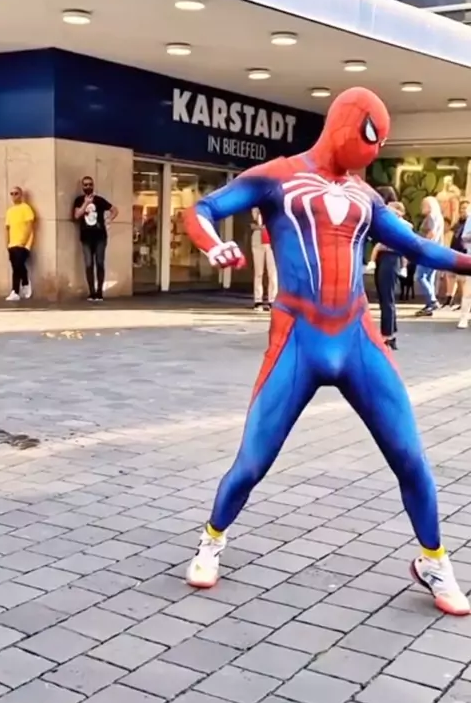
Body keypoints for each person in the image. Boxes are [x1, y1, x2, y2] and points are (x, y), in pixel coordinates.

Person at [183, 86, 471, 617]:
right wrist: (213, 244)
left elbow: (419, 247)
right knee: (252, 461)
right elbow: (202, 208)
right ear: (345, 124)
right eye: (371, 137)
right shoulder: (278, 177)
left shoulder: (366, 199)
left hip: (357, 338)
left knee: (411, 457)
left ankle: (433, 560)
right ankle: (211, 539)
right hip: (298, 339)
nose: (374, 150)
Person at [368, 201, 406, 350]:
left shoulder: (401, 225)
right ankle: (390, 333)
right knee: (384, 297)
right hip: (382, 258)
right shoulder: (388, 224)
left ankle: (387, 335)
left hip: (391, 258)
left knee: (387, 298)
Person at [73, 176, 118, 302]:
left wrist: (109, 220)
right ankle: (91, 292)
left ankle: (99, 292)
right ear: (82, 186)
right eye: (85, 185)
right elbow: (76, 215)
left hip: (100, 237)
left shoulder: (99, 200)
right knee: (88, 264)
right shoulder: (79, 200)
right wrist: (86, 203)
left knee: (99, 263)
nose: (88, 187)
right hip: (86, 237)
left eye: (90, 184)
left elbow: (114, 210)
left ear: (93, 185)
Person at [415, 196, 444, 317]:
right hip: (436, 251)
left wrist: (423, 246)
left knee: (420, 277)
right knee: (429, 278)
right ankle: (429, 305)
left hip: (428, 251)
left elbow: (431, 233)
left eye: (424, 204)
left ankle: (432, 301)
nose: (422, 207)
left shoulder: (431, 217)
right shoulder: (438, 217)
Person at [5, 186, 35, 302]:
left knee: (18, 266)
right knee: (16, 266)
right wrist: (7, 242)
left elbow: (30, 226)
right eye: (12, 194)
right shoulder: (10, 211)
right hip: (12, 244)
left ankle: (15, 291)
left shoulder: (26, 208)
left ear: (21, 195)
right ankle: (25, 283)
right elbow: (7, 228)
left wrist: (25, 241)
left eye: (16, 193)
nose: (14, 196)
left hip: (23, 244)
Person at [443, 199, 469, 310]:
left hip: (465, 253)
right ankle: (449, 299)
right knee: (451, 276)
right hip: (454, 252)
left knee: (463, 279)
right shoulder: (458, 223)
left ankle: (464, 302)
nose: (462, 211)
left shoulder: (469, 223)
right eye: (461, 208)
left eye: (465, 208)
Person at [250, 207, 277, 311]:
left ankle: (272, 300)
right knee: (258, 272)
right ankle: (258, 300)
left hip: (271, 240)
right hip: (258, 240)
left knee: (272, 272)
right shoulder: (255, 208)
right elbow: (254, 223)